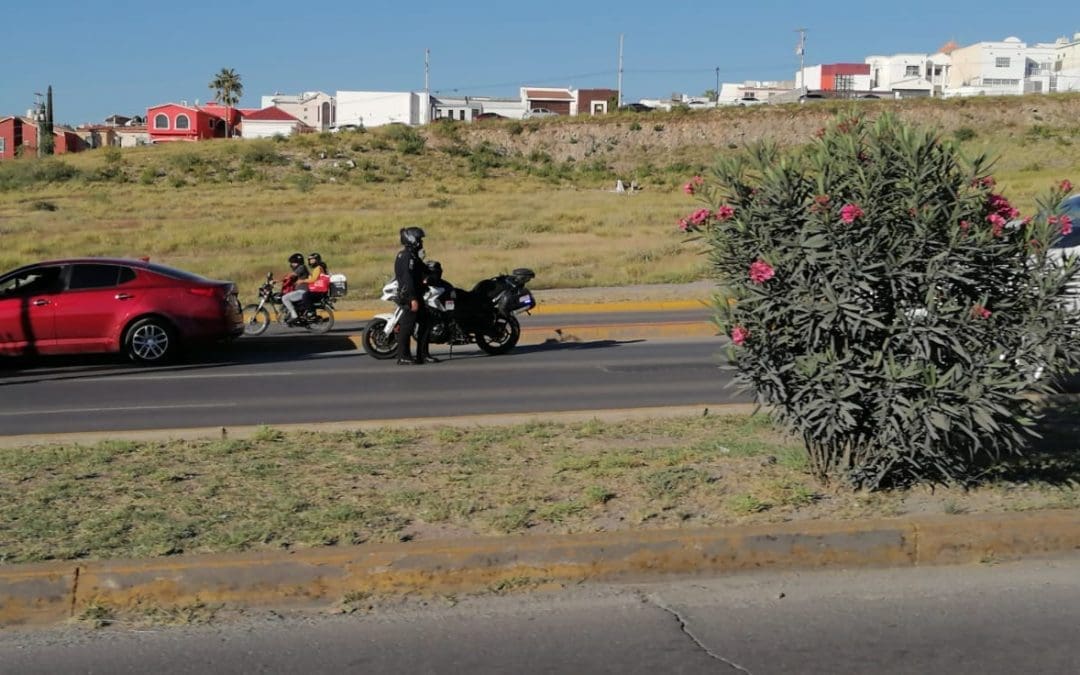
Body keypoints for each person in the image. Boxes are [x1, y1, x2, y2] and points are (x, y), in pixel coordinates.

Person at [394, 226, 431, 365]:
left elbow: (424, 269)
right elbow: (407, 279)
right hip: (410, 296)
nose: (421, 242)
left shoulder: (413, 256)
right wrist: (412, 299)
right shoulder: (406, 257)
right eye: (419, 239)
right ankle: (403, 356)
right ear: (412, 240)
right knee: (407, 327)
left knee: (425, 323)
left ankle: (423, 355)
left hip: (416, 294)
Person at [281, 252, 309, 324]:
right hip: (301, 291)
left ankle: (294, 316)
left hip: (302, 291)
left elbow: (290, 275)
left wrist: (276, 280)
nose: (291, 264)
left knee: (285, 298)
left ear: (298, 262)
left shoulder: (301, 267)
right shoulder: (301, 268)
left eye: (293, 263)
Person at [300, 252, 331, 317]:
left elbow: (314, 279)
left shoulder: (318, 268)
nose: (311, 261)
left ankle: (311, 312)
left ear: (317, 259)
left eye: (312, 259)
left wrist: (303, 281)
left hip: (319, 291)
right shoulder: (320, 267)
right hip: (321, 290)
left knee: (305, 296)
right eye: (310, 260)